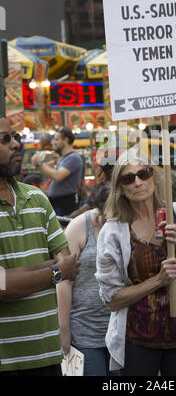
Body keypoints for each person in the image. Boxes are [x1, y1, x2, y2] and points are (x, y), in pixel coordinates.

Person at [95, 148, 176, 376]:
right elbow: (111, 299)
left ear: (154, 176)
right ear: (120, 188)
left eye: (144, 173)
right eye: (128, 178)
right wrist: (158, 280)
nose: (138, 182)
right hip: (137, 341)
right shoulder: (113, 231)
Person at [0, 117, 80, 376]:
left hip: (46, 354)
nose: (15, 145)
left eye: (16, 137)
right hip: (6, 359)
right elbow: (2, 286)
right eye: (5, 139)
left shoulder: (36, 198)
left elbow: (70, 264)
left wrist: (20, 276)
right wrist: (54, 271)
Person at [57, 186, 111, 376]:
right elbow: (64, 280)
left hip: (122, 331)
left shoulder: (130, 223)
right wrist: (63, 329)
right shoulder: (81, 225)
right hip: (84, 332)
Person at [32, 127, 83, 216]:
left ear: (66, 140)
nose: (54, 142)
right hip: (58, 202)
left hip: (65, 203)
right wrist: (39, 165)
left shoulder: (73, 158)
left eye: (57, 139)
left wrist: (40, 163)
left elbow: (58, 176)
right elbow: (50, 174)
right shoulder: (64, 158)